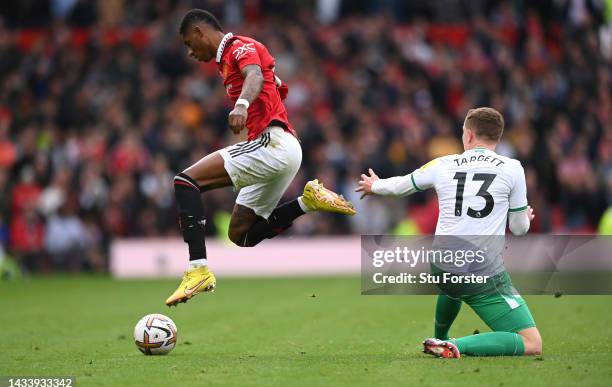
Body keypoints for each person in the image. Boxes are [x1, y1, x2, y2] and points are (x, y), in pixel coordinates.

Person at [165, 9, 356, 307]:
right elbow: (270, 80)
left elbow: (253, 74)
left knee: (185, 181)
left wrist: (242, 104)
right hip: (281, 150)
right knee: (242, 234)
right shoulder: (228, 60)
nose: (190, 52)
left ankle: (197, 269)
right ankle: (308, 201)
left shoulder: (239, 46)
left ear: (201, 32)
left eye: (190, 43)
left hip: (273, 145)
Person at [356, 107, 542, 358]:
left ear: (468, 135)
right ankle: (453, 345)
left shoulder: (443, 164)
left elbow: (402, 184)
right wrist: (524, 217)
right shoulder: (513, 168)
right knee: (531, 343)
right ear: (497, 138)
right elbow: (519, 229)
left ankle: (439, 338)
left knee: (451, 284)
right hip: (480, 269)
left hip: (441, 265)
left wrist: (375, 185)